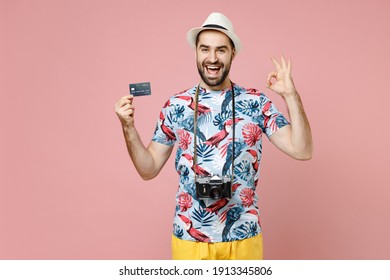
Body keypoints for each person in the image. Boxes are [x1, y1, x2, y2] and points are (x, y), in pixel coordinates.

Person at [114, 12, 312, 260]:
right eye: (205, 49)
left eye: (221, 50)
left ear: (233, 53)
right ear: (196, 52)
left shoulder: (256, 102)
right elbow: (148, 169)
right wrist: (128, 127)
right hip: (189, 238)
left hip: (244, 236)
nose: (212, 58)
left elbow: (302, 150)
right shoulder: (176, 105)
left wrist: (291, 96)